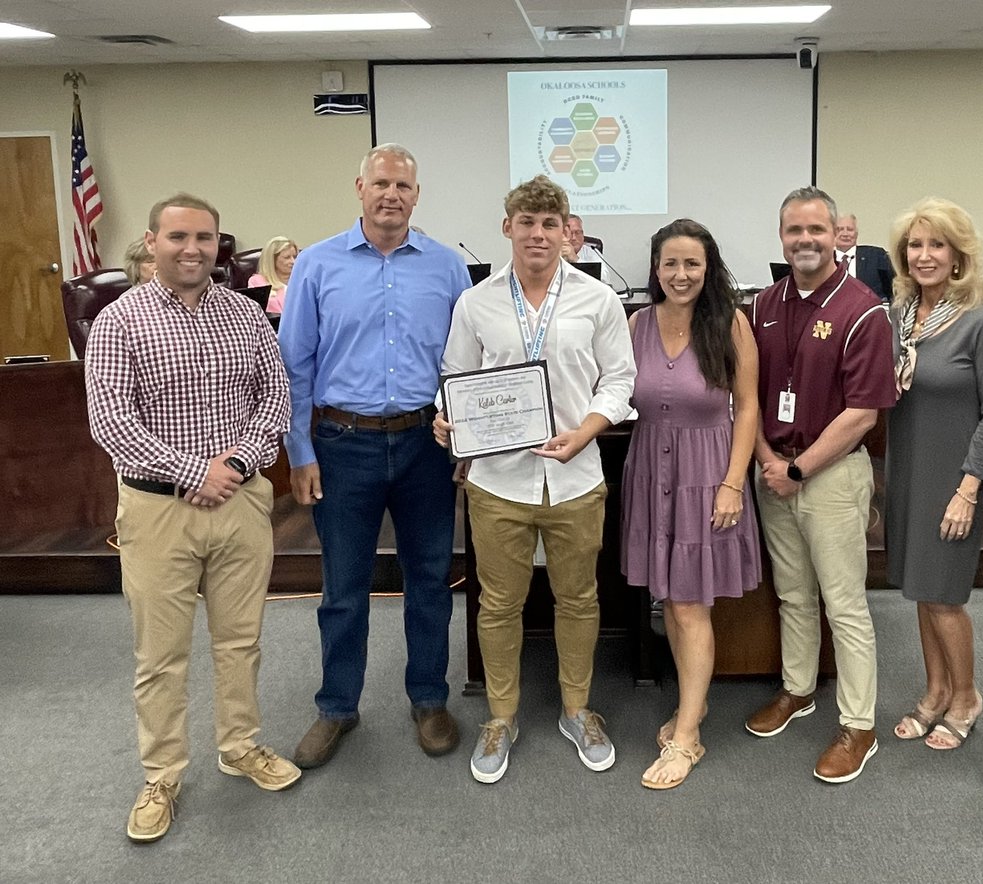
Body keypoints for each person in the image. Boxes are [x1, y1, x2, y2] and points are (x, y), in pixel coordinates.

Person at [85, 193, 299, 843]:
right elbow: (111, 422)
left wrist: (233, 463)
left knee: (240, 641)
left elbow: (275, 397)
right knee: (161, 655)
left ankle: (239, 747)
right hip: (156, 512)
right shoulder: (118, 322)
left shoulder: (245, 314)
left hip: (240, 502)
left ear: (219, 246)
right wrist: (192, 471)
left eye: (204, 237)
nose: (192, 249)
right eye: (178, 236)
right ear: (152, 242)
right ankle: (162, 775)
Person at [435, 175, 635, 784]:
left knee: (578, 599)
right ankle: (501, 716)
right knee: (499, 603)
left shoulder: (596, 299)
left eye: (550, 224)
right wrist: (451, 421)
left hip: (575, 478)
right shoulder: (477, 303)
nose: (538, 234)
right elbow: (455, 375)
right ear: (509, 228)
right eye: (527, 222)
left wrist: (586, 431)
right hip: (497, 481)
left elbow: (620, 380)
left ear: (566, 230)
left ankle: (577, 708)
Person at [278, 144, 472, 769]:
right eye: (381, 184)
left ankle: (428, 697)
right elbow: (294, 366)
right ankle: (337, 706)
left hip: (426, 446)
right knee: (343, 587)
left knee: (429, 581)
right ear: (359, 187)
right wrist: (299, 450)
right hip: (342, 445)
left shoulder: (447, 267)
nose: (392, 195)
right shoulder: (315, 264)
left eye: (404, 187)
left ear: (418, 195)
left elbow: (465, 365)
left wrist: (465, 437)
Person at [746, 187, 895, 783]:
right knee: (792, 595)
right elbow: (747, 395)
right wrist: (766, 461)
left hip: (829, 476)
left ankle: (859, 725)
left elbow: (863, 413)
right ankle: (797, 690)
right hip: (772, 473)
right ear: (781, 237)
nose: (804, 240)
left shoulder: (864, 309)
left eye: (815, 229)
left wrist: (799, 468)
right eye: (793, 230)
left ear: (836, 234)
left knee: (845, 604)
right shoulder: (761, 305)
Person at [621, 219, 761, 789]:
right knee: (671, 597)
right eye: (670, 264)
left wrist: (733, 483)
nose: (681, 275)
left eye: (692, 264)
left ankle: (686, 738)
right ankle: (692, 705)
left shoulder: (730, 324)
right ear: (655, 269)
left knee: (688, 604)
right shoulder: (635, 324)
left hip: (708, 476)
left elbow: (747, 408)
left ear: (710, 269)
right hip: (651, 470)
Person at [884, 198, 983, 749]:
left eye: (936, 245)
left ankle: (966, 695)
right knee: (921, 590)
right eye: (915, 245)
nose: (924, 255)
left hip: (954, 478)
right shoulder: (898, 318)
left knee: (945, 597)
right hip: (908, 469)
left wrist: (969, 489)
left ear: (958, 256)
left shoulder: (980, 323)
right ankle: (934, 692)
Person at [834, 213, 895, 301]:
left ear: (856, 233)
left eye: (850, 229)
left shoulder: (876, 256)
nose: (845, 234)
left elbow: (893, 287)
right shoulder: (824, 260)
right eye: (839, 229)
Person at [248, 235, 298, 313]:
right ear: (272, 260)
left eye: (295, 257)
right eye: (287, 257)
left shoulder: (302, 280)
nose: (293, 261)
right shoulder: (257, 282)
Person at [562, 213, 612, 285]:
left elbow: (605, 278)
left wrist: (576, 259)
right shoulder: (552, 251)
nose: (574, 238)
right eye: (569, 233)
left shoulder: (591, 251)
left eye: (578, 232)